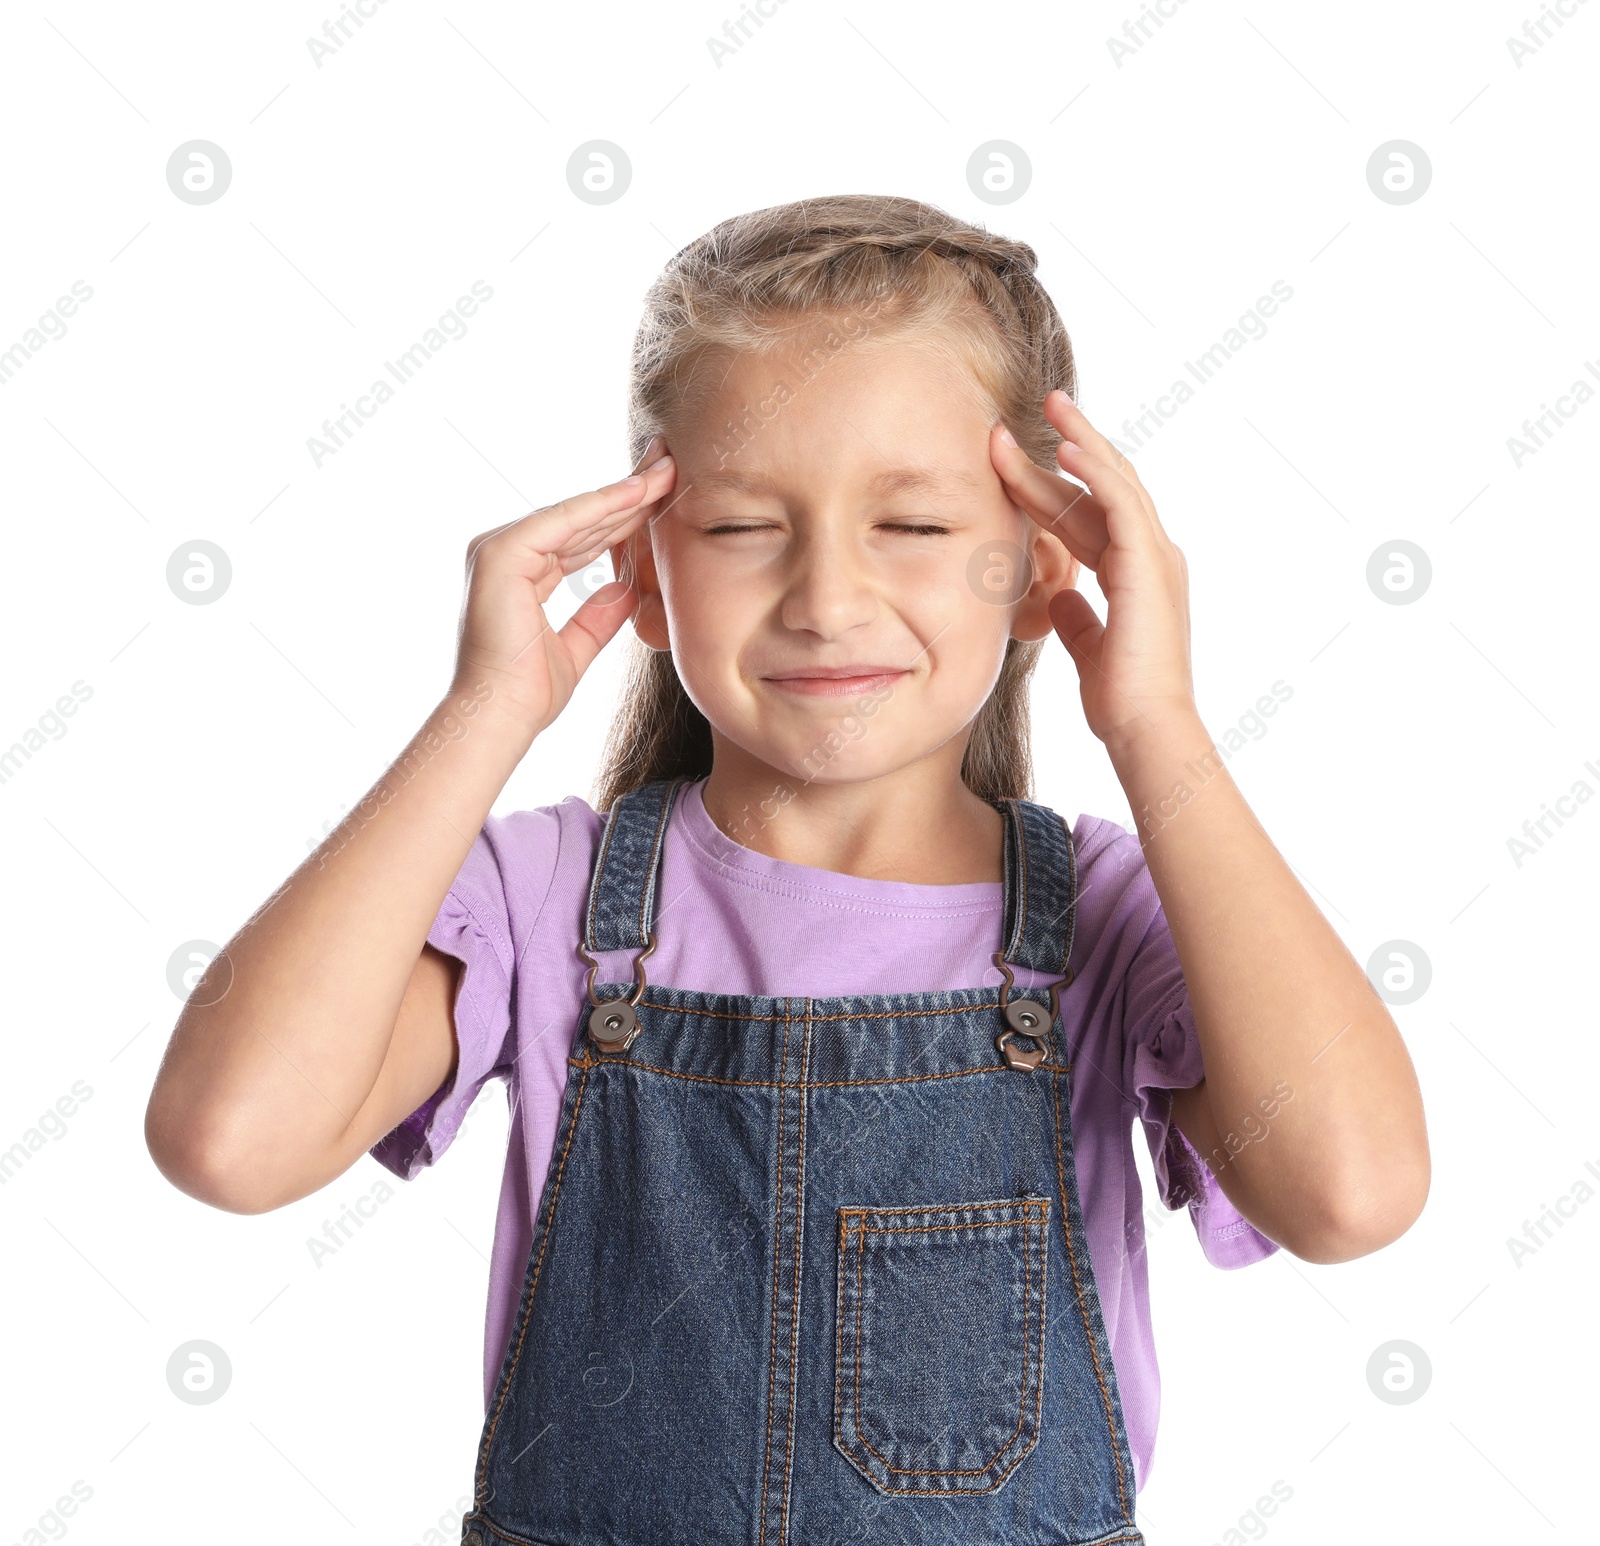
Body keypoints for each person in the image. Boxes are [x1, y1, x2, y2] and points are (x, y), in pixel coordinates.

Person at [145, 193, 1430, 1545]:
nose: (825, 596)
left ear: (1043, 566)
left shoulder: (1103, 924)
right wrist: (483, 716)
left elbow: (1350, 1192)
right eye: (746, 524)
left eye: (915, 528)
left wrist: (1158, 726)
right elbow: (230, 1140)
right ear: (643, 565)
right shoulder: (548, 904)